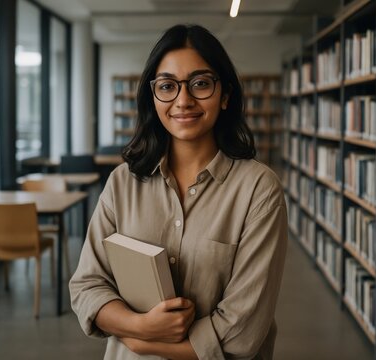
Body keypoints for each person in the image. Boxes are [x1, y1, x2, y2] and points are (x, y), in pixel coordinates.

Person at [69, 24, 288, 360]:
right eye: (168, 86)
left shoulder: (259, 190)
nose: (183, 100)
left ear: (225, 94)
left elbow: (243, 331)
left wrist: (141, 343)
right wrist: (140, 327)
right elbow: (87, 287)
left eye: (200, 84)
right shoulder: (121, 183)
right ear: (153, 97)